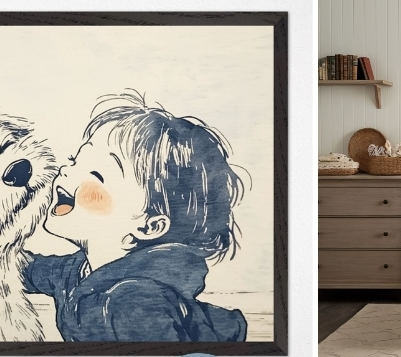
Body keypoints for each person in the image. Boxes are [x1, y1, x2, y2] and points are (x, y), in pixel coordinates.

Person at [22, 92, 247, 342]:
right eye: (76, 161)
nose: (66, 170)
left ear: (149, 226)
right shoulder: (75, 271)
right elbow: (24, 269)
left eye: (96, 174)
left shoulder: (136, 300)